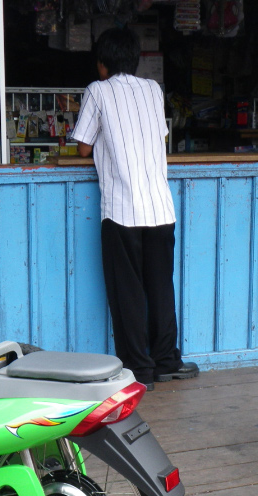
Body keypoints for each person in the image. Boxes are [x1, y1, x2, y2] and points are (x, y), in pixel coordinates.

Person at [72, 27, 198, 391]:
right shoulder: (152, 90)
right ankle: (165, 361)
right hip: (160, 208)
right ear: (135, 59)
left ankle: (138, 371)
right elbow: (158, 137)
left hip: (123, 211)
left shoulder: (98, 90)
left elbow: (82, 147)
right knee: (160, 288)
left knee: (127, 292)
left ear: (102, 64)